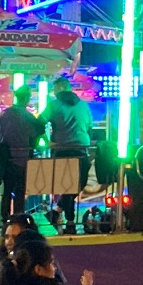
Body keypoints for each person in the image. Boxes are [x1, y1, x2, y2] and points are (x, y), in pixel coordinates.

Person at [43, 78, 94, 234]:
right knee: (78, 183)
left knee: (66, 185)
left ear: (59, 88)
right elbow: (89, 127)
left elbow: (39, 122)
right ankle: (65, 218)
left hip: (62, 150)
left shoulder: (54, 105)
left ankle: (61, 214)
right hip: (81, 149)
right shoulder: (84, 105)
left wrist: (47, 141)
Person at [0, 96, 41, 222]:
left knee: (7, 190)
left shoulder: (3, 115)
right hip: (23, 158)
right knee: (20, 191)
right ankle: (18, 218)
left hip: (6, 158)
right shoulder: (28, 116)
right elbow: (36, 134)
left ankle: (4, 218)